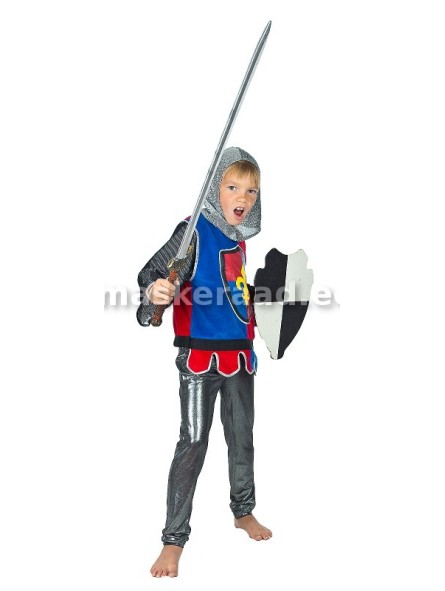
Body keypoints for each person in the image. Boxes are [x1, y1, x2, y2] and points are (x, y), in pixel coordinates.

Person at [137, 147, 272, 578]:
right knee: (193, 441)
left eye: (250, 191)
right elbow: (154, 273)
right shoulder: (193, 230)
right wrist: (157, 292)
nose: (242, 197)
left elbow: (235, 292)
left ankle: (243, 510)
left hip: (240, 355)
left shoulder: (239, 239)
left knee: (242, 436)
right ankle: (173, 540)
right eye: (232, 187)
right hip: (200, 357)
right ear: (215, 190)